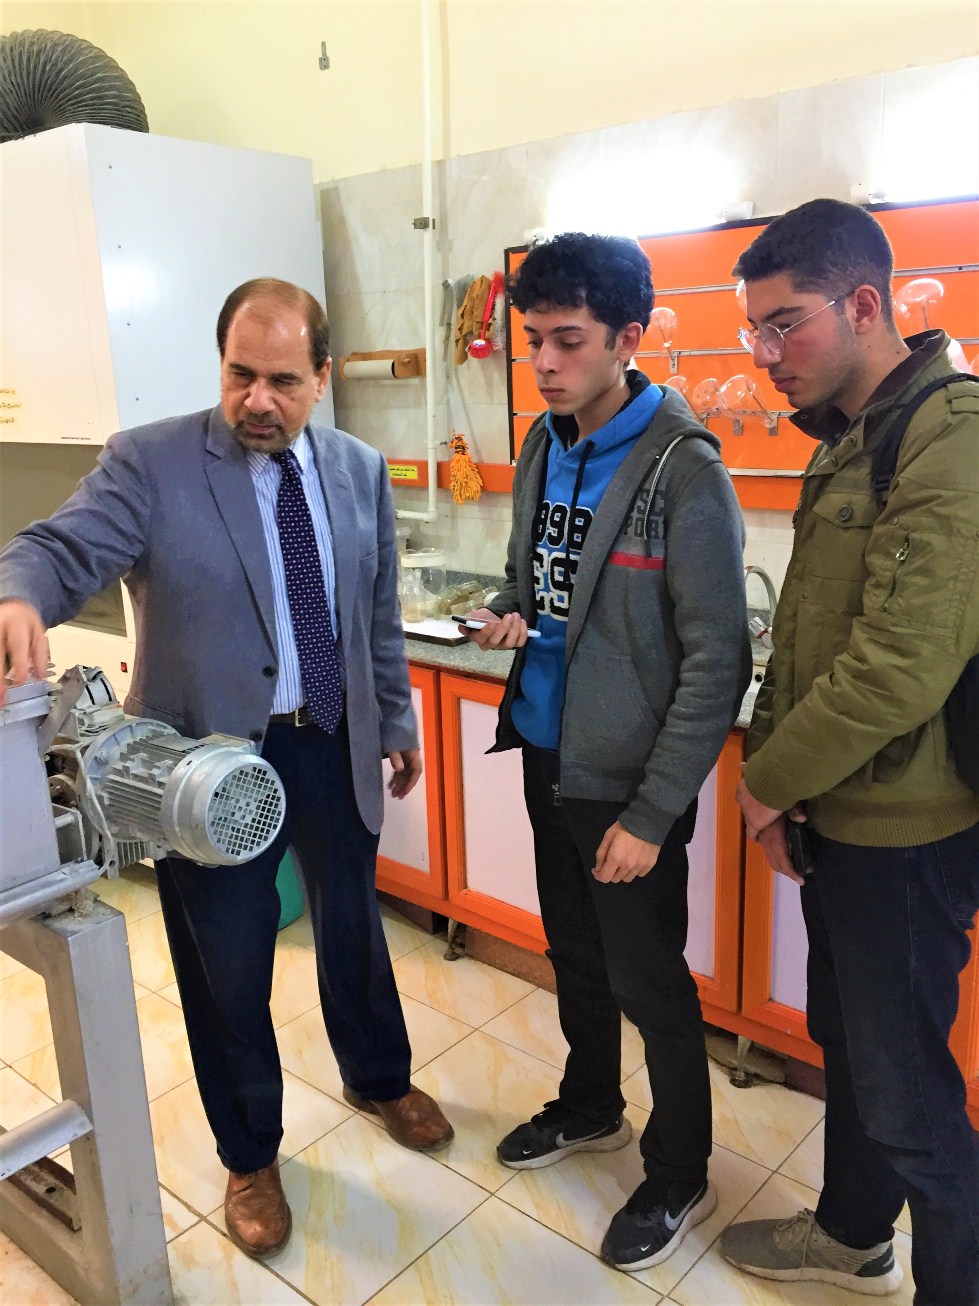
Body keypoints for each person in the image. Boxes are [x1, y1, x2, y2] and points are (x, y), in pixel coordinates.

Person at [0, 278, 453, 1259]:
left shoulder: (357, 469)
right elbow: (58, 548)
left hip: (333, 736)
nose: (257, 399)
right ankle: (249, 1153)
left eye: (283, 381)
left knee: (352, 928)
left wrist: (395, 715)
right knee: (227, 968)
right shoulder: (150, 462)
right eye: (240, 374)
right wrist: (19, 595)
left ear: (322, 377)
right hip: (209, 765)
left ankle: (379, 1076)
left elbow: (373, 610)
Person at [463, 232, 751, 1272]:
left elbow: (718, 660)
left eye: (568, 341)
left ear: (628, 339)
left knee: (649, 981)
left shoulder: (683, 471)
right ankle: (590, 1104)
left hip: (627, 783)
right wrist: (504, 611)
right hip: (548, 751)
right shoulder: (543, 446)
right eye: (532, 340)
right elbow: (528, 578)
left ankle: (678, 1169)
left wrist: (652, 812)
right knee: (574, 954)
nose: (543, 363)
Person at [723, 199, 979, 1303]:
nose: (764, 353)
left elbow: (897, 667)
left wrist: (762, 782)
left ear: (863, 304)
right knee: (852, 1048)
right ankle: (850, 1234)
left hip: (906, 835)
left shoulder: (949, 433)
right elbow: (808, 637)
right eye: (753, 330)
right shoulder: (852, 434)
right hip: (842, 813)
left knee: (910, 1095)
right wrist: (791, 795)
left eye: (783, 324)